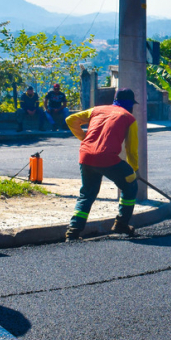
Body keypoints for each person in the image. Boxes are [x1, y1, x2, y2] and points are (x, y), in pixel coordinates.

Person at [63, 88, 140, 240]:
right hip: (107, 158)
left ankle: (73, 231)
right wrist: (135, 170)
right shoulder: (129, 118)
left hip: (86, 156)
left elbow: (70, 119)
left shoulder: (96, 110)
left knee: (87, 193)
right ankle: (121, 224)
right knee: (130, 185)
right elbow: (131, 149)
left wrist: (84, 138)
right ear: (130, 104)